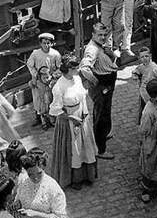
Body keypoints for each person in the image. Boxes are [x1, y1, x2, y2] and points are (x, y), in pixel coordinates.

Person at [49, 53, 97, 190]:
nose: (77, 70)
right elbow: (55, 110)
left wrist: (85, 111)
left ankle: (87, 176)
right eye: (75, 68)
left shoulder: (77, 79)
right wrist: (72, 118)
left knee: (85, 146)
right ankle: (74, 179)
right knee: (74, 149)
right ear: (68, 69)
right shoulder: (59, 87)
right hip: (69, 119)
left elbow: (82, 97)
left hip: (82, 115)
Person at [78, 23, 119, 160]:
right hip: (101, 86)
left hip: (107, 83)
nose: (102, 37)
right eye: (99, 35)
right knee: (100, 116)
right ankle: (100, 149)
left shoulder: (101, 46)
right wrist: (95, 81)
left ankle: (104, 134)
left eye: (104, 35)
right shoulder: (92, 49)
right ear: (93, 35)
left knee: (106, 112)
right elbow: (84, 68)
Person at [15, 148, 67, 218]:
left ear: (43, 168)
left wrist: (36, 214)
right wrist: (17, 204)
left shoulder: (53, 188)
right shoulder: (23, 182)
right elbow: (18, 198)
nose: (35, 178)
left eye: (39, 173)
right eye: (30, 174)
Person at [26, 32, 62, 127]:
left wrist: (53, 76)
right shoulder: (35, 54)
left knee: (50, 98)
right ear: (40, 43)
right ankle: (38, 118)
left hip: (50, 79)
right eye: (44, 43)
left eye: (48, 43)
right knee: (38, 99)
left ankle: (51, 118)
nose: (46, 45)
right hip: (38, 79)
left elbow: (59, 68)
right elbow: (30, 65)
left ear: (51, 43)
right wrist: (35, 75)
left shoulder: (55, 54)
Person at [132, 47, 157, 124]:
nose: (144, 59)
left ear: (150, 56)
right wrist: (135, 75)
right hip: (144, 94)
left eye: (146, 56)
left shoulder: (154, 68)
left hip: (153, 96)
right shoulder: (141, 66)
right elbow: (136, 71)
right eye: (142, 57)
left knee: (155, 113)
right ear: (139, 58)